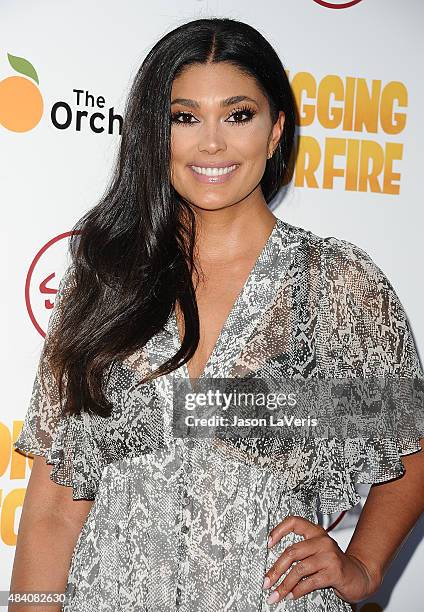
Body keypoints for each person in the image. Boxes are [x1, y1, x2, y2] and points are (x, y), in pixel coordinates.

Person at [10, 16, 424, 612]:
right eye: (184, 118)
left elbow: (408, 445)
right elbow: (52, 510)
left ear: (276, 129)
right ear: (156, 133)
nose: (212, 143)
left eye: (238, 115)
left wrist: (362, 564)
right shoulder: (109, 282)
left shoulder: (330, 286)